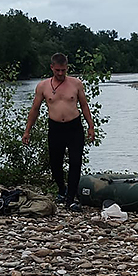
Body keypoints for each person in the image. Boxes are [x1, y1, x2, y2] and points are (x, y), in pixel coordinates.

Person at [23, 53, 95, 212]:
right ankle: (62, 190)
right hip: (55, 128)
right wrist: (27, 130)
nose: (61, 73)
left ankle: (70, 199)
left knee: (75, 162)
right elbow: (35, 109)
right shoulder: (43, 86)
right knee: (55, 163)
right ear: (52, 68)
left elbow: (84, 105)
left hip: (74, 127)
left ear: (67, 68)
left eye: (63, 70)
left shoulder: (76, 84)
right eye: (57, 70)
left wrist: (91, 126)